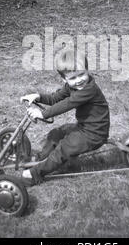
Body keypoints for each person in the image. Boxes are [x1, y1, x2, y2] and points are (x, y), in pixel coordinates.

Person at [20, 50, 110, 185]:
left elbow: (67, 104)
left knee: (64, 148)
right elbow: (56, 98)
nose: (79, 80)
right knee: (56, 134)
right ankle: (40, 159)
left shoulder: (89, 90)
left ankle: (35, 174)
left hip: (94, 134)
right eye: (73, 78)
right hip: (83, 127)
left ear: (87, 71)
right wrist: (38, 96)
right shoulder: (71, 87)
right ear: (64, 79)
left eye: (81, 74)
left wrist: (43, 114)